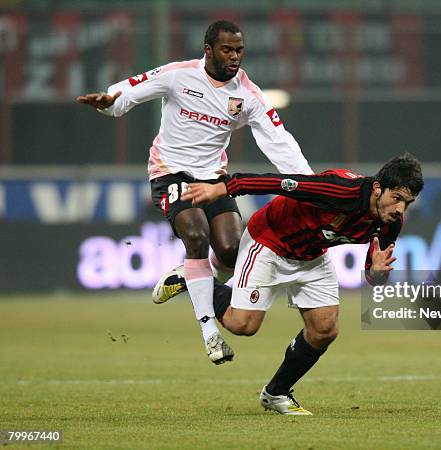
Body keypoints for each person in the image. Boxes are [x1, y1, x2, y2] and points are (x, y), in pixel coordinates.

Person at [76, 20, 313, 365]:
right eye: (227, 50)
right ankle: (211, 335)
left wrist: (308, 183)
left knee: (233, 252)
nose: (234, 57)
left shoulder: (247, 94)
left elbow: (279, 141)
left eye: (239, 51)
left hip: (213, 177)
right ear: (208, 49)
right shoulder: (179, 75)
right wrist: (109, 102)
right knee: (196, 236)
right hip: (169, 171)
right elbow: (130, 90)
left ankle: (189, 276)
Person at [177, 154, 424, 415]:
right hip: (270, 240)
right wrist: (225, 187)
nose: (400, 209)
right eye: (396, 198)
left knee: (325, 329)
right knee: (243, 325)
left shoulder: (390, 224)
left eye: (407, 203)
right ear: (377, 188)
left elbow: (373, 276)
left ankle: (276, 393)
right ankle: (192, 278)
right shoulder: (340, 190)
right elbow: (282, 183)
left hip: (312, 255)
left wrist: (376, 272)